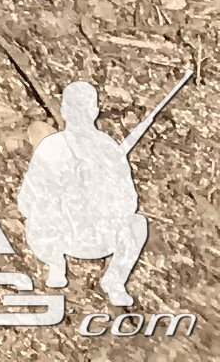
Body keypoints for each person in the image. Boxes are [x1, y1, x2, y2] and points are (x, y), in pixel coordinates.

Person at [20, 81, 153, 307]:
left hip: (96, 237)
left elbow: (128, 201)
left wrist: (100, 197)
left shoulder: (107, 148)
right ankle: (56, 264)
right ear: (95, 110)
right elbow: (28, 199)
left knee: (137, 223)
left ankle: (113, 280)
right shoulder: (53, 147)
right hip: (62, 235)